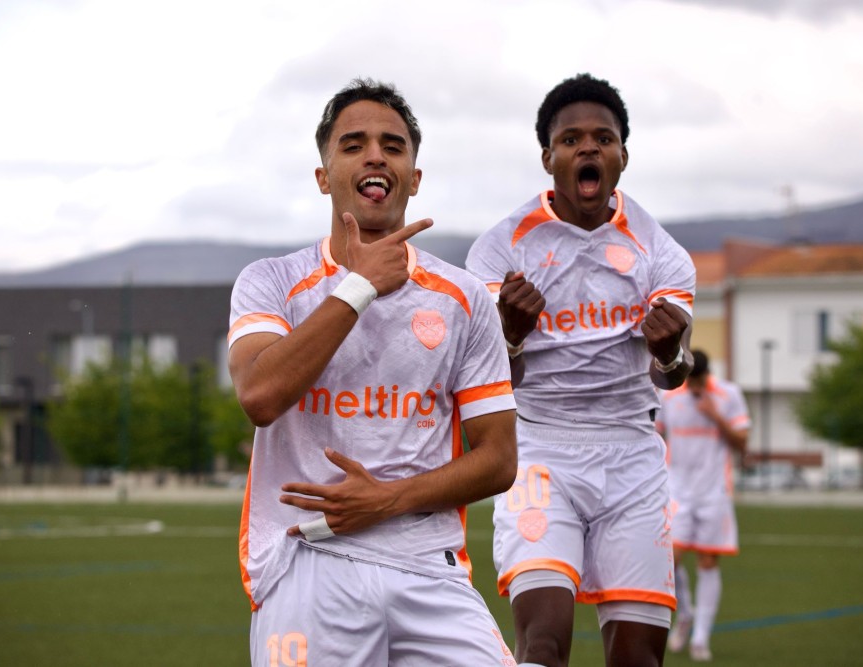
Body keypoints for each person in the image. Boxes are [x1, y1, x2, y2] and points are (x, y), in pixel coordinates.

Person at [227, 78, 519, 667]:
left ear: (414, 177)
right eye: (353, 144)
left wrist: (385, 500)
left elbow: (498, 459)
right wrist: (359, 286)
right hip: (309, 560)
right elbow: (259, 395)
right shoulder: (271, 282)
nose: (375, 156)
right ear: (323, 176)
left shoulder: (463, 297)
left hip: (429, 567)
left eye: (393, 145)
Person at [465, 73, 696, 667]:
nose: (588, 148)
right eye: (571, 140)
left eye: (603, 138)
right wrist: (510, 334)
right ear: (549, 159)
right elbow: (492, 382)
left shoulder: (661, 252)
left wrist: (670, 353)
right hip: (540, 452)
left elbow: (673, 376)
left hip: (634, 456)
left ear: (622, 156)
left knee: (639, 659)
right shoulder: (500, 250)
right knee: (543, 645)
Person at [657, 349, 749, 662]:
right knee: (670, 559)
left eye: (699, 381)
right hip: (676, 490)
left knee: (708, 561)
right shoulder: (669, 395)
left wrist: (715, 416)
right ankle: (685, 614)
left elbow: (743, 443)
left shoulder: (728, 394)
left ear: (707, 376)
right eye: (691, 381)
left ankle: (701, 637)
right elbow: (655, 435)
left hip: (714, 491)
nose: (695, 387)